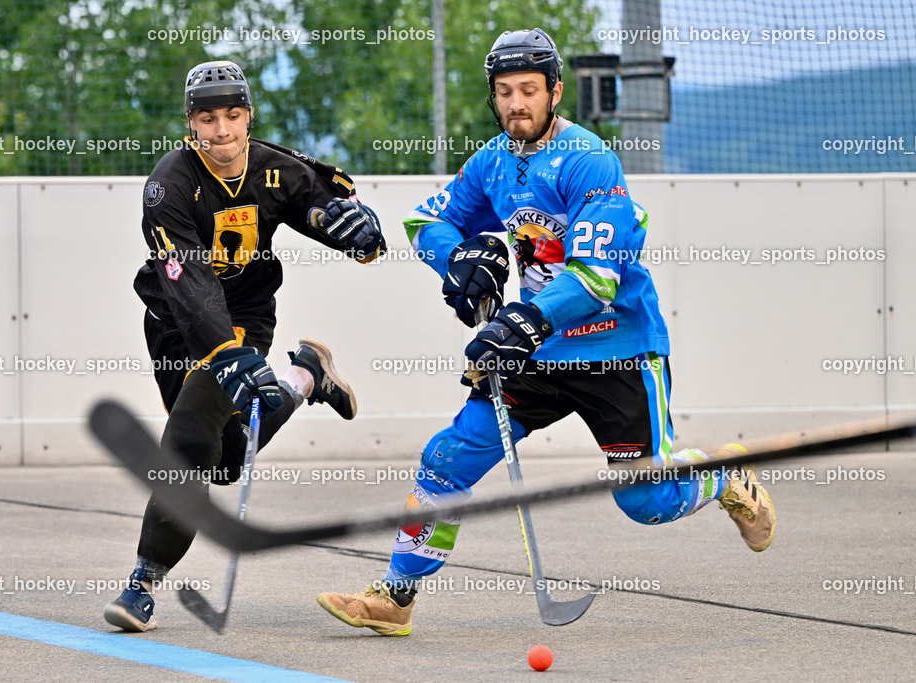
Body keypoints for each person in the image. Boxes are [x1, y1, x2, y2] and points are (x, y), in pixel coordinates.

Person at [316, 28, 775, 637]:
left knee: (644, 501)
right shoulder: (493, 162)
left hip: (617, 349)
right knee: (447, 460)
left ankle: (720, 475)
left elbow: (597, 276)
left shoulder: (591, 160)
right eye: (504, 92)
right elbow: (424, 219)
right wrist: (457, 260)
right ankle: (396, 596)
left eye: (529, 90)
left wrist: (524, 319)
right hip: (536, 350)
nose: (515, 105)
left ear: (555, 91)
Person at [104, 60, 386, 632]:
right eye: (208, 119)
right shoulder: (169, 184)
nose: (223, 131)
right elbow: (186, 278)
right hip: (177, 324)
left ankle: (143, 580)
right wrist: (224, 356)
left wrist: (357, 230)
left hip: (246, 318)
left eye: (233, 116)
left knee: (184, 439)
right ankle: (306, 377)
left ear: (249, 117)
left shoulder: (274, 167)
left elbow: (323, 203)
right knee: (225, 460)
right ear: (191, 124)